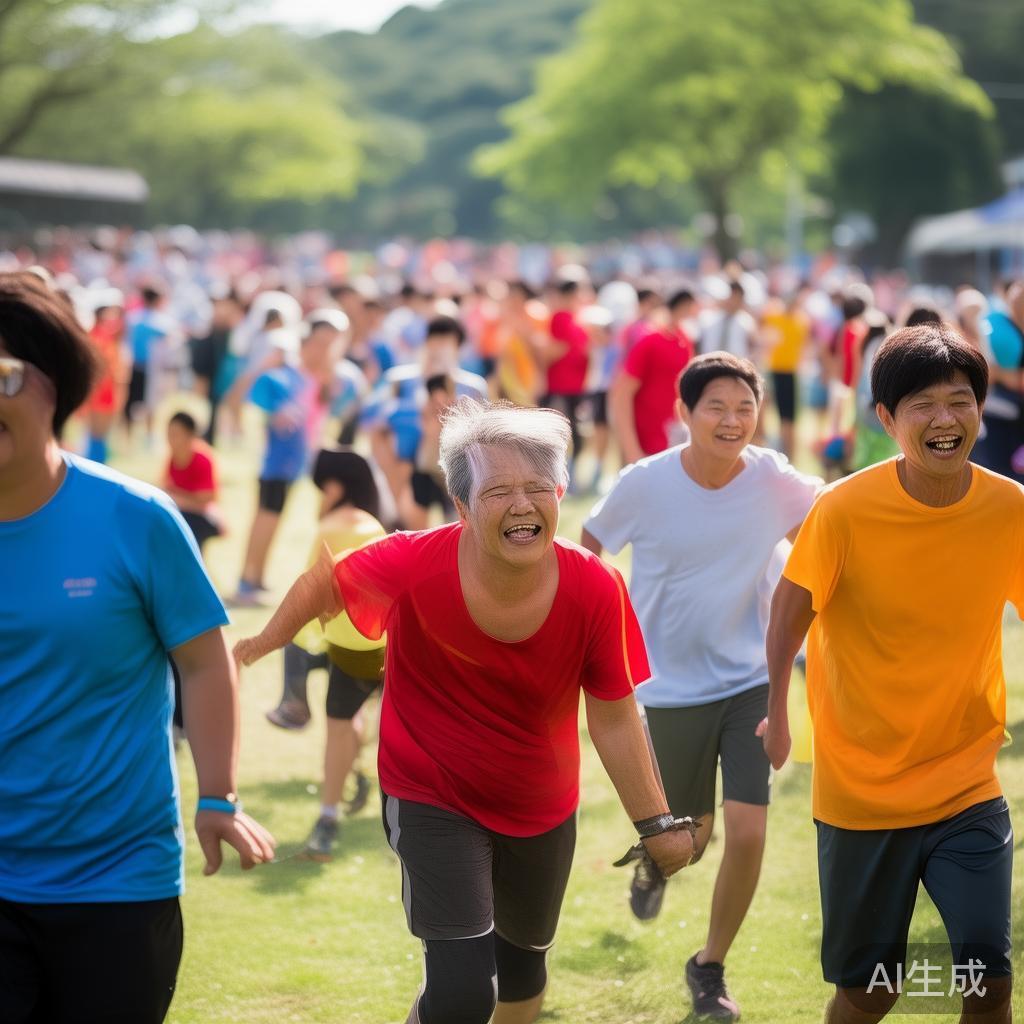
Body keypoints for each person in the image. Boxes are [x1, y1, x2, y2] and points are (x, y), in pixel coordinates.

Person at [234, 400, 694, 1024]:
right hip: (431, 793)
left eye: (538, 487)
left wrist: (655, 822)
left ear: (561, 491)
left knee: (523, 979)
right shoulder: (413, 561)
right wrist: (265, 641)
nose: (523, 505)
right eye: (498, 491)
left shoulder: (594, 587)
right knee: (462, 989)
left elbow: (612, 716)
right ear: (461, 506)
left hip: (539, 804)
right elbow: (327, 581)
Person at [0, 271, 275, 1024]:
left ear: (56, 386)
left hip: (116, 881)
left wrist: (217, 793)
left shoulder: (136, 518)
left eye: (2, 375)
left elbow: (203, 660)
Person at [760, 322, 1014, 1024]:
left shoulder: (1009, 509)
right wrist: (778, 713)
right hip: (862, 793)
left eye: (960, 400)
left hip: (967, 781)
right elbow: (789, 613)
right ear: (885, 419)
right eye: (922, 405)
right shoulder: (843, 510)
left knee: (987, 981)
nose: (945, 419)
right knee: (870, 990)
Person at [583, 352, 821, 1022]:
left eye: (745, 406)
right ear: (683, 414)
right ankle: (653, 865)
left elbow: (829, 522)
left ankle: (708, 965)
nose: (732, 419)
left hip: (748, 678)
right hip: (667, 690)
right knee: (688, 843)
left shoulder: (773, 478)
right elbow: (585, 551)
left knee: (748, 831)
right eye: (715, 406)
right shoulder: (645, 483)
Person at [265, 447, 389, 859]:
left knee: (338, 723)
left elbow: (310, 593)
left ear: (335, 487)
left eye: (321, 488)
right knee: (354, 714)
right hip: (385, 645)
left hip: (351, 646)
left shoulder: (330, 527)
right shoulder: (374, 525)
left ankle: (327, 817)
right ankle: (353, 768)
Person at [610, 288, 697, 465]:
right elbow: (621, 395)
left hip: (674, 437)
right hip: (646, 442)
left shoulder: (684, 338)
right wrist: (631, 448)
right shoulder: (649, 340)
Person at [163, 410, 223, 553]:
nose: (171, 439)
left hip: (203, 517)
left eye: (176, 435)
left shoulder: (202, 459)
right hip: (181, 512)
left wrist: (178, 500)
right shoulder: (172, 459)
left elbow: (207, 501)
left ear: (190, 436)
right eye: (169, 434)